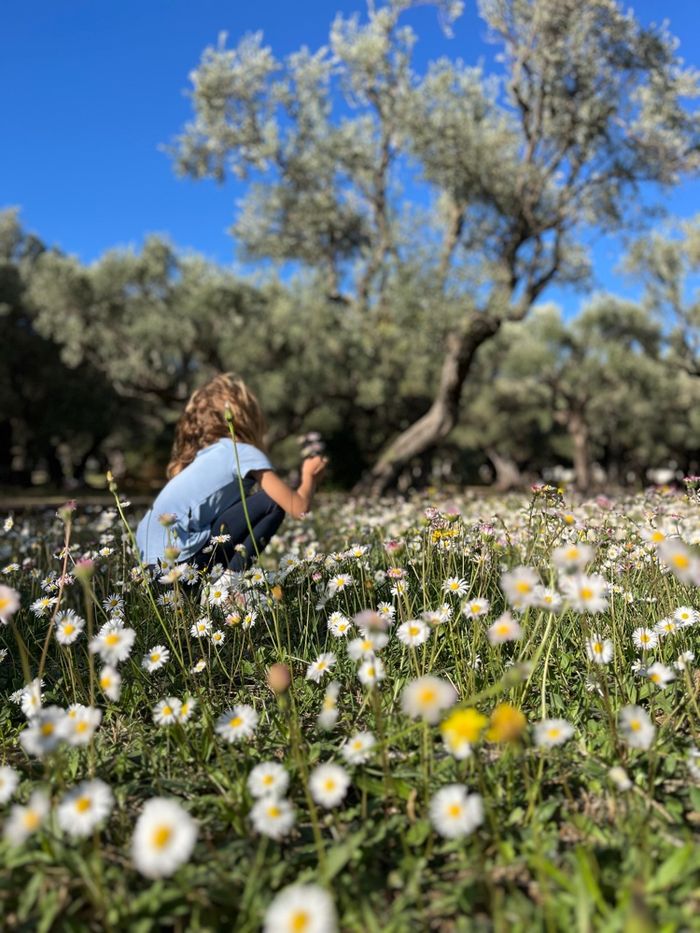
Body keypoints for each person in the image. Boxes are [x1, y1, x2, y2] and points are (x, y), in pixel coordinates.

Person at [135, 373, 327, 575]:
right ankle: (229, 591)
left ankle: (211, 591)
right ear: (246, 415)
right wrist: (309, 477)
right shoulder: (241, 452)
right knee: (273, 503)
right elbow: (299, 509)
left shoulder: (200, 460)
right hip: (180, 563)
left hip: (149, 569)